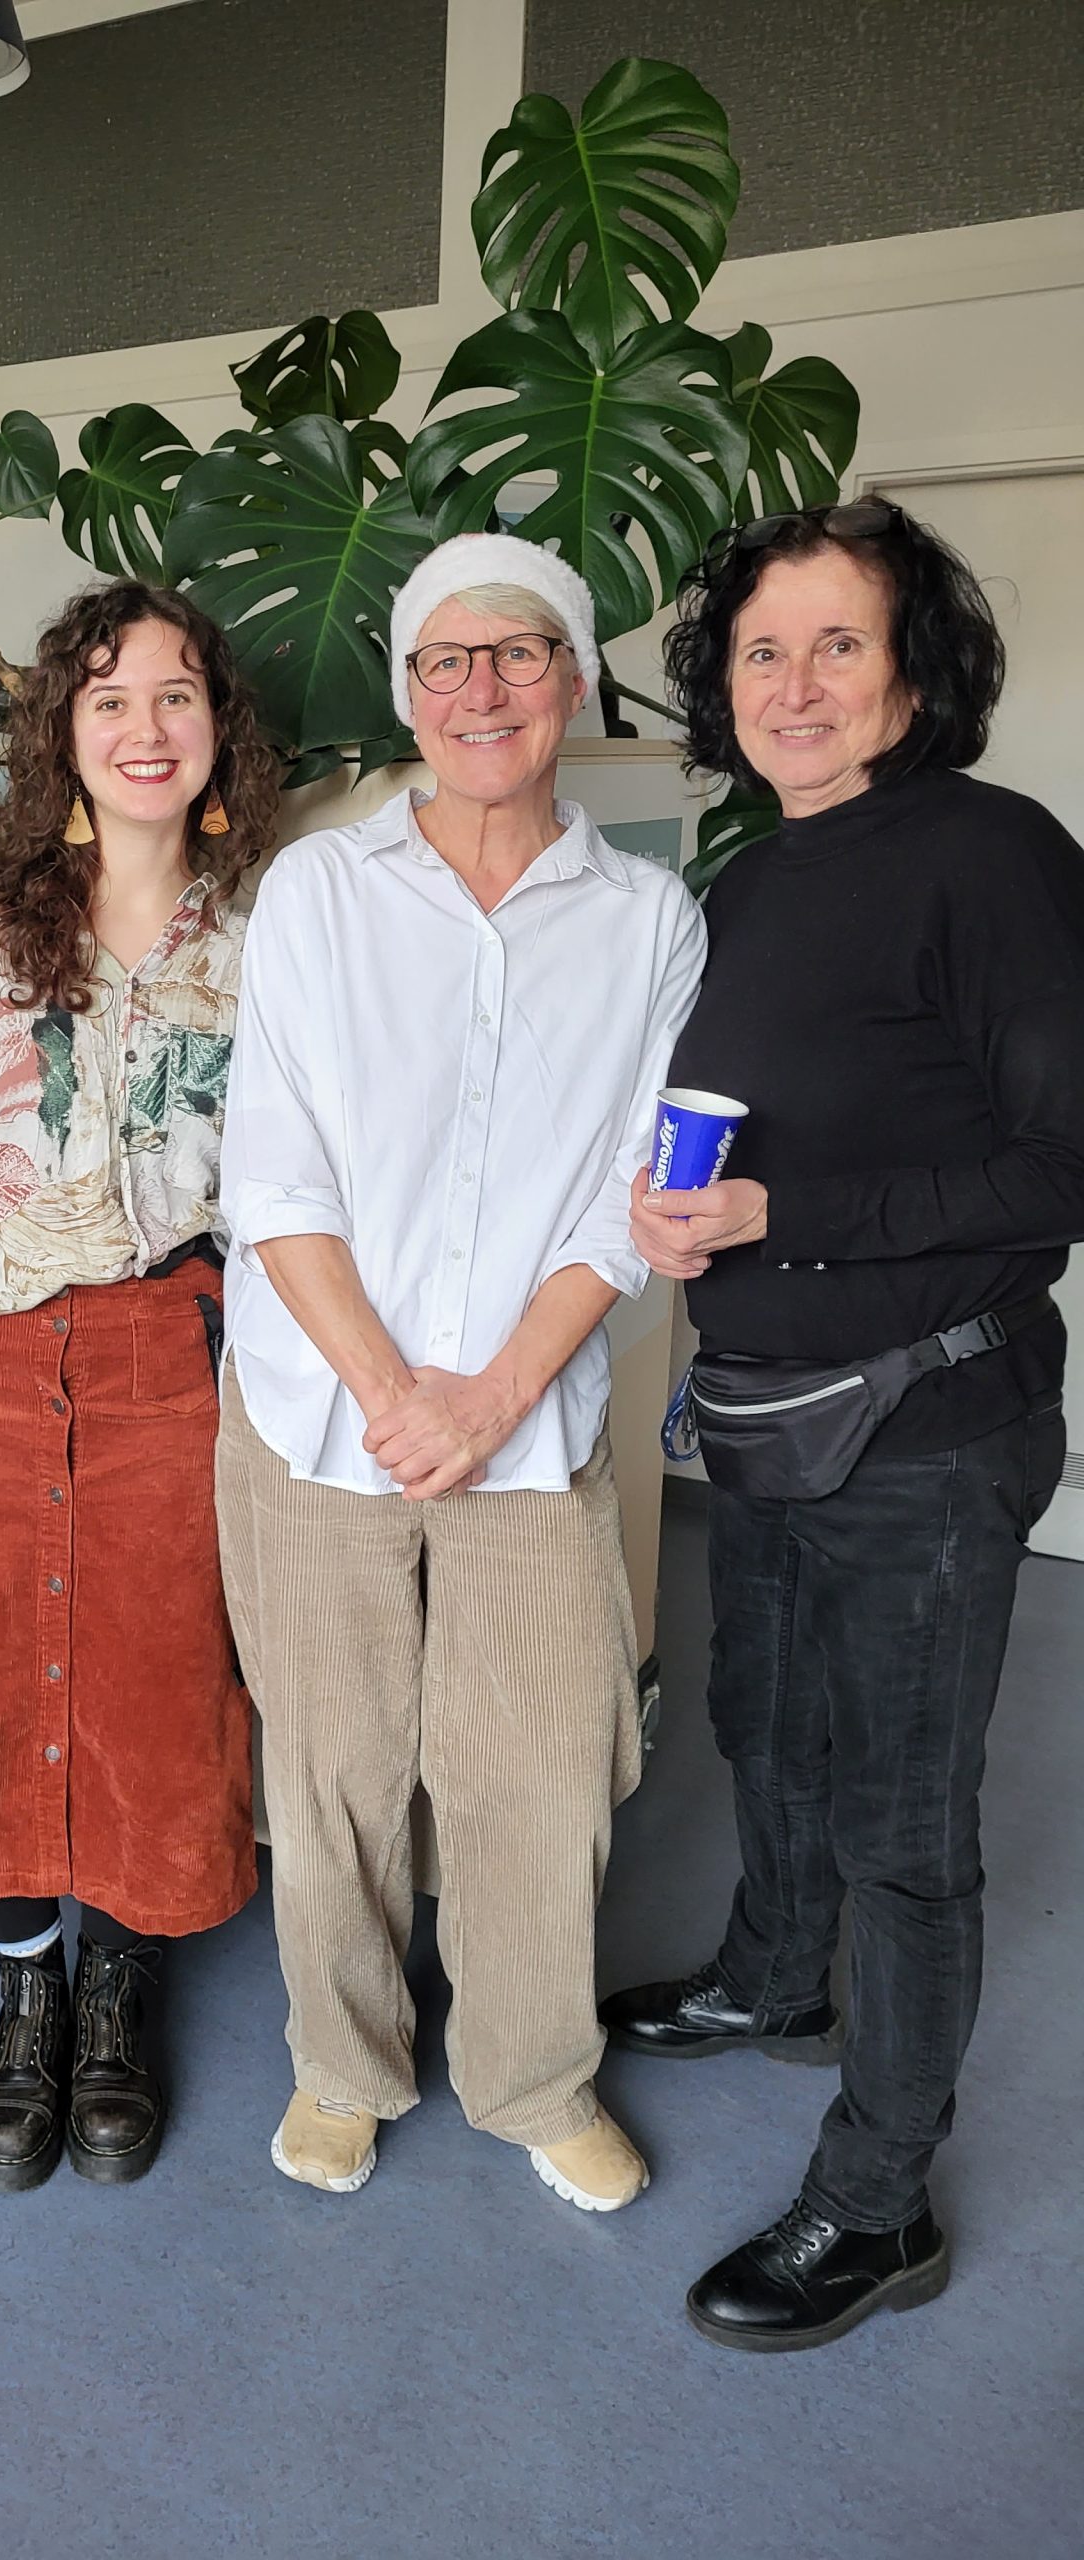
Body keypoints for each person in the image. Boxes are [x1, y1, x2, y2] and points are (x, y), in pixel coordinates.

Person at [604, 499, 1084, 2349]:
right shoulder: (752, 877)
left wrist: (781, 1218)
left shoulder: (990, 855)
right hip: (769, 1414)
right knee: (766, 1724)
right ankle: (772, 1975)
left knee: (902, 1819)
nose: (793, 685)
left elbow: (1061, 1163)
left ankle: (879, 2204)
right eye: (761, 650)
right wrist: (688, 1225)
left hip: (929, 1428)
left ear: (913, 672)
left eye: (838, 645)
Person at [216, 532, 706, 2211]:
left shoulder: (649, 921)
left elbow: (632, 1197)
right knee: (333, 1761)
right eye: (445, 659)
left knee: (542, 1765)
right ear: (409, 692)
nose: (481, 690)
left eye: (518, 654)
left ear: (575, 682)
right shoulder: (321, 893)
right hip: (315, 1410)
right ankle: (344, 2064)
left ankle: (533, 2075)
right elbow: (276, 1174)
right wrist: (390, 1391)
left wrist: (489, 1399)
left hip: (533, 1415)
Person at [0, 581, 275, 2191]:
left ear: (217, 727)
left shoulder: (270, 935)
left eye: (175, 694)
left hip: (172, 1356)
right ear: (63, 737)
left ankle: (122, 1989)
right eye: (109, 699)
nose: (145, 727)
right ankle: (30, 1991)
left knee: (159, 1681)